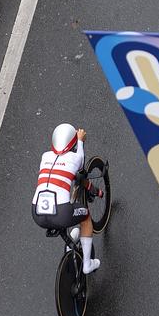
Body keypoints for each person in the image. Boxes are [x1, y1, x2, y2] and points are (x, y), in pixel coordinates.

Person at [32, 123, 99, 290]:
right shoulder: (74, 157)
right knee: (85, 217)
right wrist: (81, 141)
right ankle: (87, 264)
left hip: (37, 213)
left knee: (62, 203)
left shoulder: (45, 156)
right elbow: (81, 166)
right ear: (72, 144)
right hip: (61, 213)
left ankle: (69, 243)